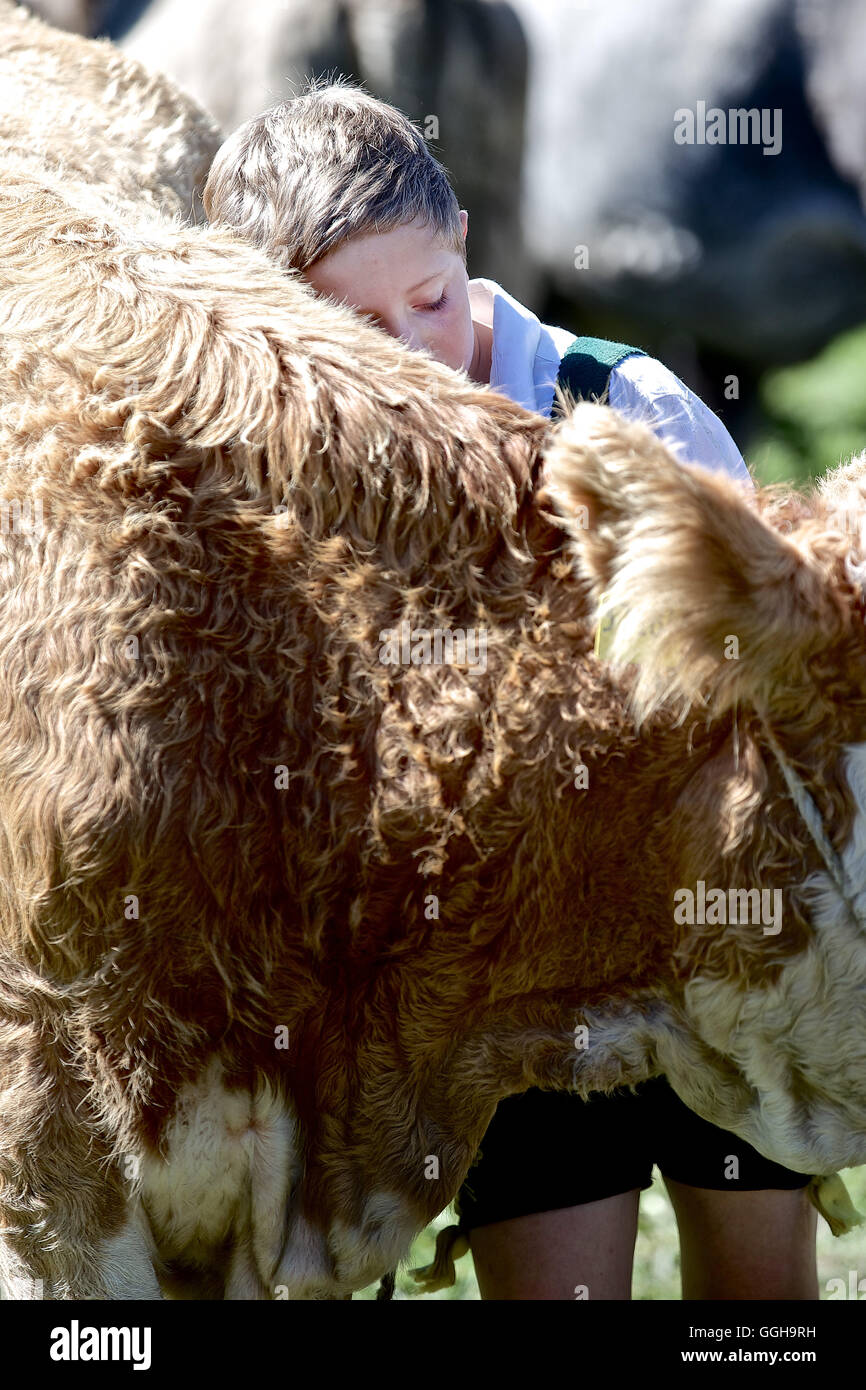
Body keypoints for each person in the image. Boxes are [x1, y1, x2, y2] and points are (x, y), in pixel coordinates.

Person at [202, 78, 818, 1300]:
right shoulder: (288, 490)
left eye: (428, 300)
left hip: (709, 945)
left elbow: (759, 677)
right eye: (353, 328)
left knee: (757, 1298)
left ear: (464, 246)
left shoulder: (624, 406)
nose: (408, 350)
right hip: (508, 983)